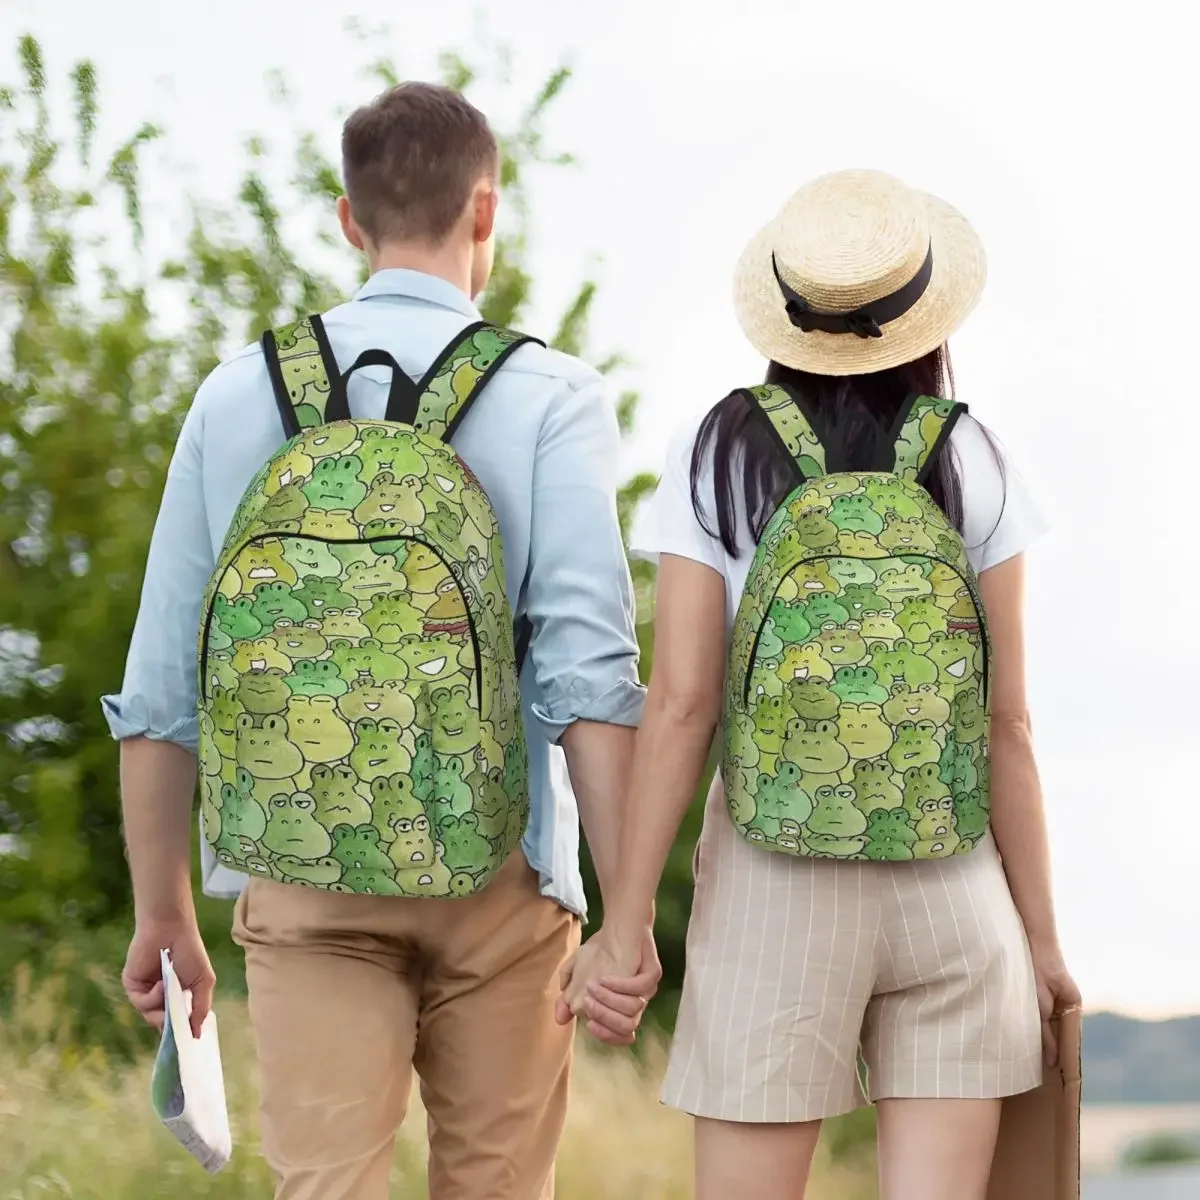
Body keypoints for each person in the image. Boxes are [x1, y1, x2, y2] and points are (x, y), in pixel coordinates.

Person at [105, 81, 659, 1200]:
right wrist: (627, 914)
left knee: (326, 1187)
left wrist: (162, 912)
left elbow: (163, 684)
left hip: (302, 872)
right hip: (504, 874)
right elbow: (590, 679)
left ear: (349, 219)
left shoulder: (235, 396)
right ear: (486, 213)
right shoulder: (551, 395)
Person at [560, 169, 1080, 1200]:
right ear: (925, 315)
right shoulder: (974, 456)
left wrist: (624, 927)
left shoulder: (718, 450)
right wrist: (1042, 942)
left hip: (773, 882)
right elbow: (1008, 723)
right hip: (954, 885)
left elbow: (682, 705)